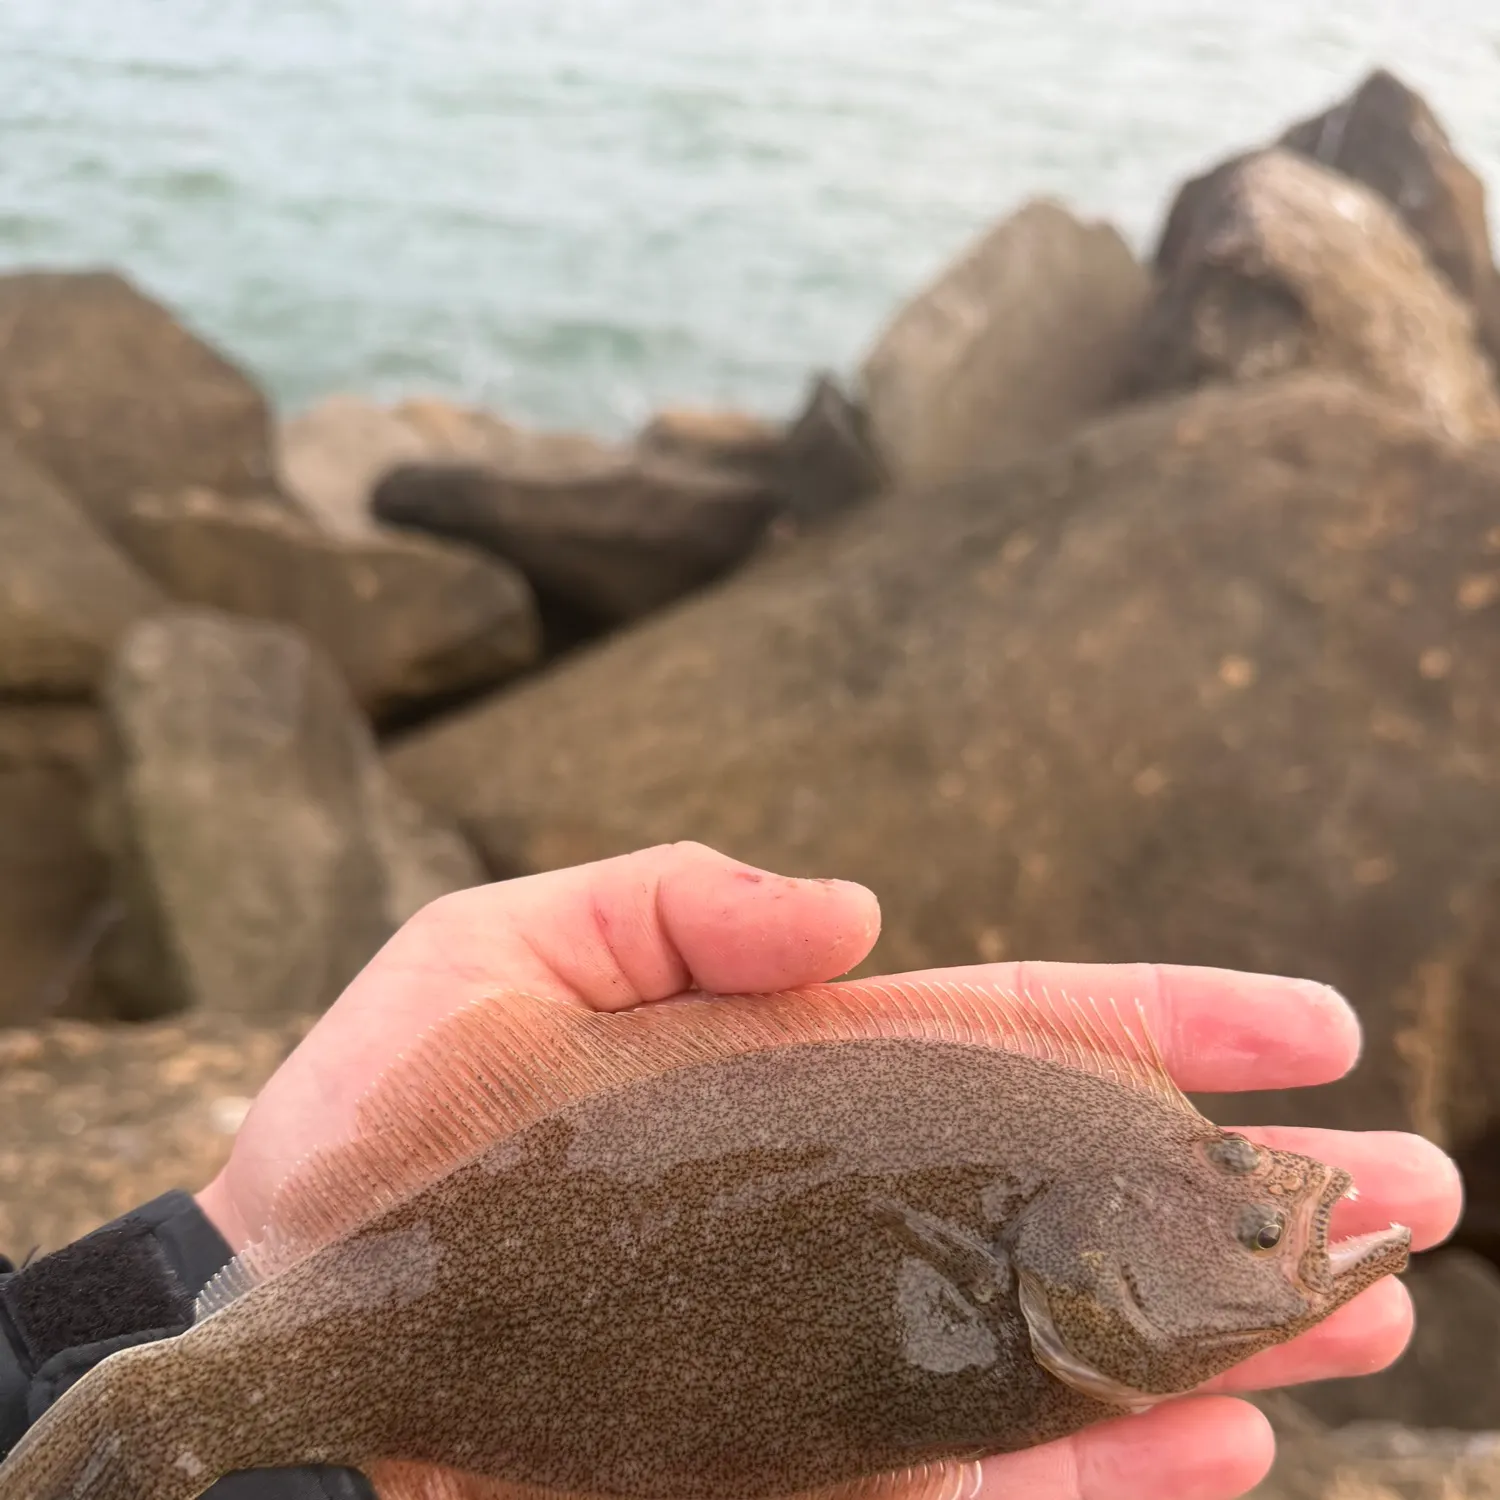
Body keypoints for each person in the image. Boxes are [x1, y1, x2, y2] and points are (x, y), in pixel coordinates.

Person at [0, 843, 1462, 1500]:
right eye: (1261, 1229)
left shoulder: (1079, 1194)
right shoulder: (1061, 1239)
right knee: (157, 1405)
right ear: (1102, 1246)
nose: (1290, 1241)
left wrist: (130, 1322)